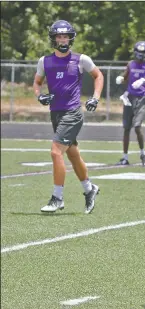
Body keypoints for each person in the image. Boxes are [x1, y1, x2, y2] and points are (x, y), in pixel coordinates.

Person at [33, 20, 104, 214]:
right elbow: (37, 82)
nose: (63, 40)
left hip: (73, 113)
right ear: (54, 39)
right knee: (72, 154)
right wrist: (39, 95)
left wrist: (95, 98)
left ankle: (57, 198)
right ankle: (89, 189)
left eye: (65, 36)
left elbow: (99, 76)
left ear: (70, 38)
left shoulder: (81, 59)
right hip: (55, 113)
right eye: (59, 36)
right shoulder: (44, 61)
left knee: (56, 152)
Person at [115, 41, 145, 166]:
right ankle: (125, 157)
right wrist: (121, 79)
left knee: (137, 126)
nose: (140, 55)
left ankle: (143, 154)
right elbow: (125, 78)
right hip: (129, 98)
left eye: (143, 53)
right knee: (126, 128)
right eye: (139, 52)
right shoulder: (130, 64)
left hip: (141, 99)